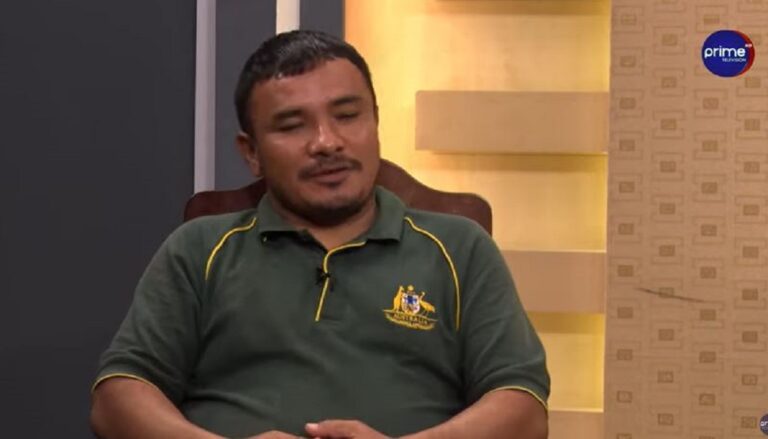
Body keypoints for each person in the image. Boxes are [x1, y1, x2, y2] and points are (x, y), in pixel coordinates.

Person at [90, 30, 549, 439]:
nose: (327, 142)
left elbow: (522, 409)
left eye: (347, 116)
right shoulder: (200, 249)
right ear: (251, 153)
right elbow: (118, 398)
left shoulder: (459, 248)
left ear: (375, 123)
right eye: (292, 126)